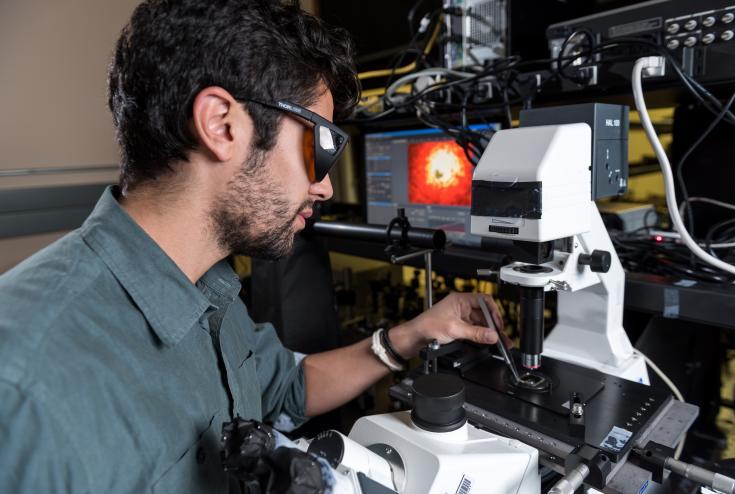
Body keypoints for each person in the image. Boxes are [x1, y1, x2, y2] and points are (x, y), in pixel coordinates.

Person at [0, 0, 504, 492]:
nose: (326, 187)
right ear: (222, 125)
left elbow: (288, 388)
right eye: (321, 146)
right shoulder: (25, 390)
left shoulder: (208, 287)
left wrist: (413, 334)